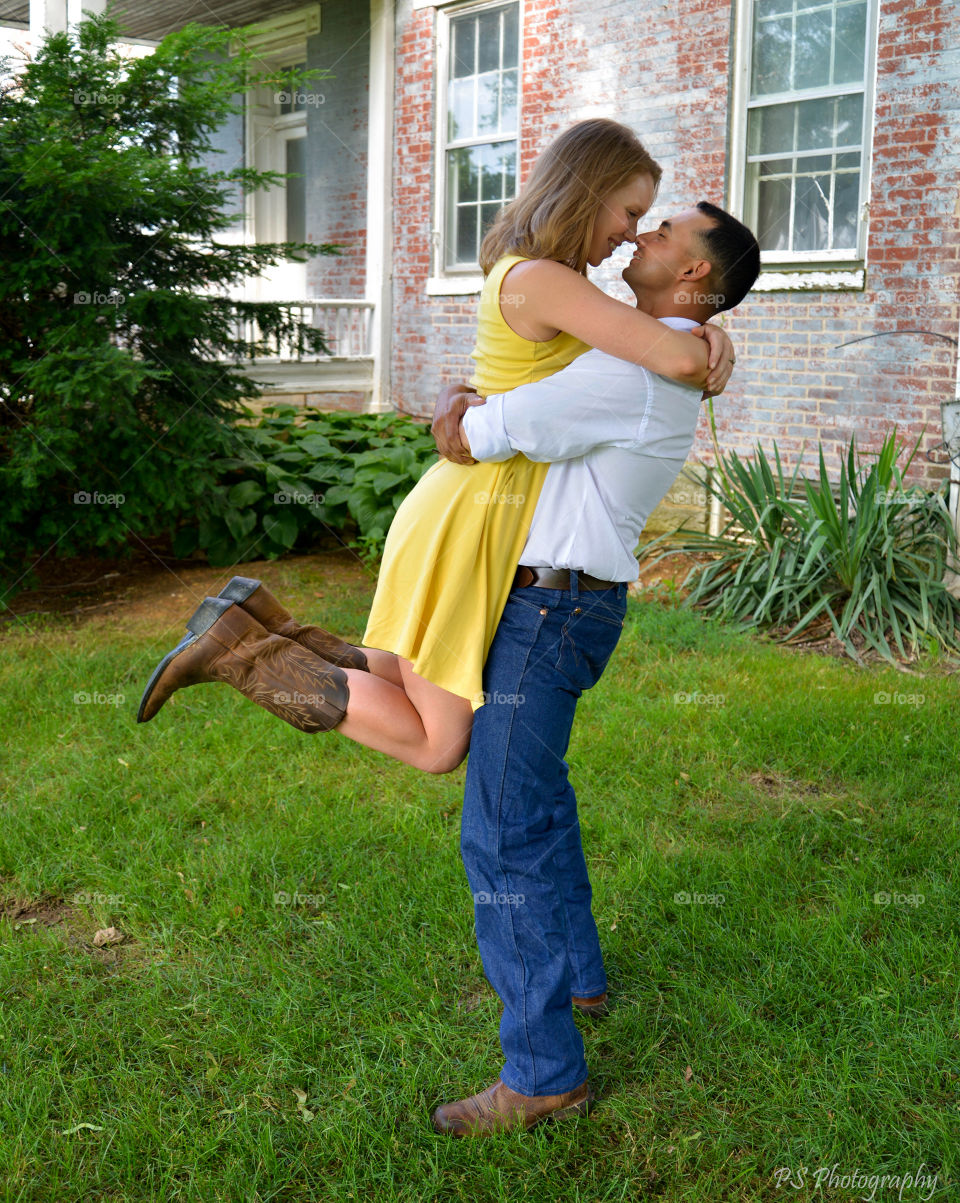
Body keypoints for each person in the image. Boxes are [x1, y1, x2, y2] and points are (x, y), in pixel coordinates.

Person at [137, 121, 734, 765]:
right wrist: (708, 340)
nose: (630, 232)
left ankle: (265, 627)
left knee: (401, 676)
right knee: (436, 743)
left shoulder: (547, 274)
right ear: (588, 189)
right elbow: (669, 356)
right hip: (477, 509)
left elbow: (548, 367)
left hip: (478, 502)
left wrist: (708, 333)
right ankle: (239, 654)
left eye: (647, 220)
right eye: (631, 211)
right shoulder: (547, 277)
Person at [426, 202, 761, 1135]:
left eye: (662, 234)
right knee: (537, 799)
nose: (639, 236)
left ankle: (541, 1075)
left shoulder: (634, 366)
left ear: (695, 277)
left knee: (501, 831)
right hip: (568, 606)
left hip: (549, 611)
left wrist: (455, 401)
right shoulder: (664, 352)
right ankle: (576, 978)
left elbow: (481, 435)